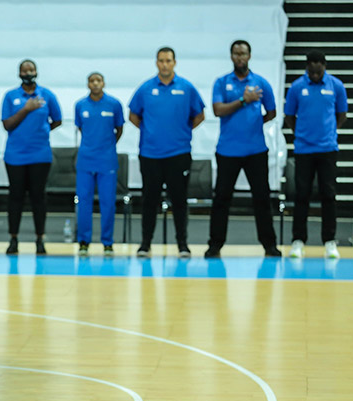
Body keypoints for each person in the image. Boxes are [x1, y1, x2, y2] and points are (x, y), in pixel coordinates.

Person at [205, 40, 281, 259]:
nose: (240, 57)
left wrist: (255, 123)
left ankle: (269, 245)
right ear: (231, 56)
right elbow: (218, 110)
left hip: (256, 150)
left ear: (249, 56)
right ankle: (215, 245)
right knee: (221, 199)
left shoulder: (261, 83)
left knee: (262, 199)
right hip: (228, 151)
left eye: (243, 54)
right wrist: (243, 100)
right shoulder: (222, 83)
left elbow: (272, 112)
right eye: (236, 54)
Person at [129, 46, 205, 258]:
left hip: (178, 154)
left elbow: (199, 115)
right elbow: (133, 116)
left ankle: (182, 244)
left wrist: (181, 131)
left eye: (168, 60)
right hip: (150, 154)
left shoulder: (187, 88)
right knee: (149, 201)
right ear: (156, 63)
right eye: (161, 60)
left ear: (174, 63)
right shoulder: (145, 88)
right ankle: (145, 244)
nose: (165, 64)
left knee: (179, 201)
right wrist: (151, 131)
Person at [283, 50, 347, 259]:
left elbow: (341, 114)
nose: (315, 73)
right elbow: (289, 116)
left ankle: (329, 241)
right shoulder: (296, 87)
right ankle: (298, 241)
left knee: (328, 195)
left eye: (319, 69)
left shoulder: (336, 86)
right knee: (302, 195)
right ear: (307, 67)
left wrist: (329, 132)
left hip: (327, 149)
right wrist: (302, 134)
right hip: (304, 150)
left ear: (324, 66)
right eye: (312, 69)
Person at [1, 59, 62, 255]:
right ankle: (13, 239)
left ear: (36, 72)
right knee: (16, 197)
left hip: (40, 154)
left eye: (31, 70)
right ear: (19, 74)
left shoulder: (47, 95)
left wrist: (42, 131)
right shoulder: (10, 96)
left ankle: (40, 239)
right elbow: (7, 124)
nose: (28, 73)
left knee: (38, 198)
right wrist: (26, 109)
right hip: (15, 155)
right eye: (24, 70)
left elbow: (57, 120)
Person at [74, 72, 124, 256]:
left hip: (107, 161)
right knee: (84, 202)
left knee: (108, 203)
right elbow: (81, 128)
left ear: (104, 83)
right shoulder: (80, 105)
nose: (95, 83)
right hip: (85, 161)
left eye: (98, 80)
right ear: (87, 84)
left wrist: (107, 146)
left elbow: (119, 129)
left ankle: (107, 242)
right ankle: (84, 241)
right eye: (92, 81)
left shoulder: (114, 104)